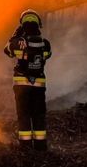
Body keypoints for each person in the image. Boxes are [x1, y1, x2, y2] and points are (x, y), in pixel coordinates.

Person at [4, 10, 52, 150]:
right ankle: (40, 146)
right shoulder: (45, 43)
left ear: (23, 25)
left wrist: (16, 35)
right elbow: (48, 55)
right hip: (39, 86)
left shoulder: (18, 42)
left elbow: (7, 50)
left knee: (24, 115)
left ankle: (25, 147)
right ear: (38, 24)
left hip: (22, 85)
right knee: (39, 115)